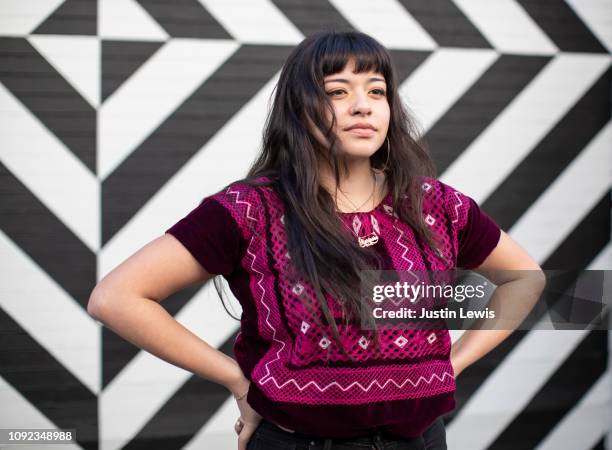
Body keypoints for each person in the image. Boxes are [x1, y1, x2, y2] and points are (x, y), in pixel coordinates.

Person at [87, 31, 544, 450]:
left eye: (377, 91)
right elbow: (115, 298)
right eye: (337, 92)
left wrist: (453, 364)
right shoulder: (252, 209)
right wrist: (237, 382)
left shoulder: (436, 205)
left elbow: (526, 281)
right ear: (299, 109)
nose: (363, 106)